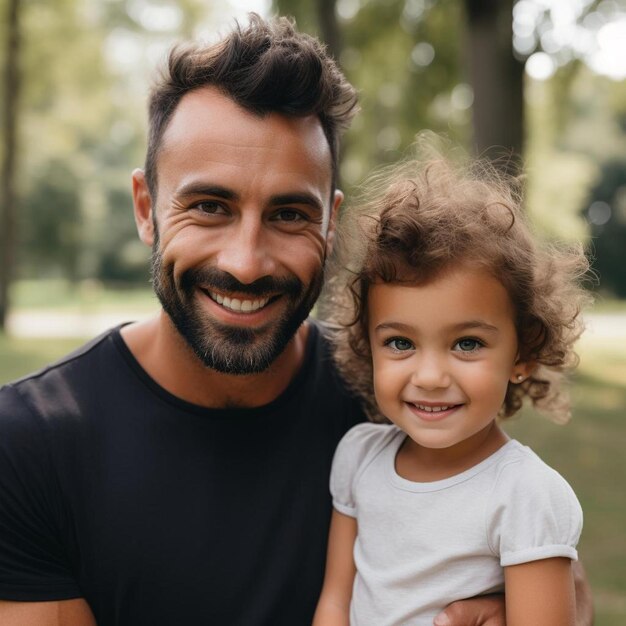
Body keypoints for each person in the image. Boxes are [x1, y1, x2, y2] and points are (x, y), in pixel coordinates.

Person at [0, 14, 592, 626]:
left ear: (331, 223)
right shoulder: (29, 447)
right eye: (209, 206)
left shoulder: (394, 400)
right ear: (147, 209)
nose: (247, 262)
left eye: (288, 215)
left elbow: (556, 578)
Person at [313, 147, 591, 626]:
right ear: (368, 346)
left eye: (466, 344)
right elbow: (336, 601)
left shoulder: (524, 495)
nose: (430, 377)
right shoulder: (360, 457)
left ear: (522, 356)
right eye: (400, 342)